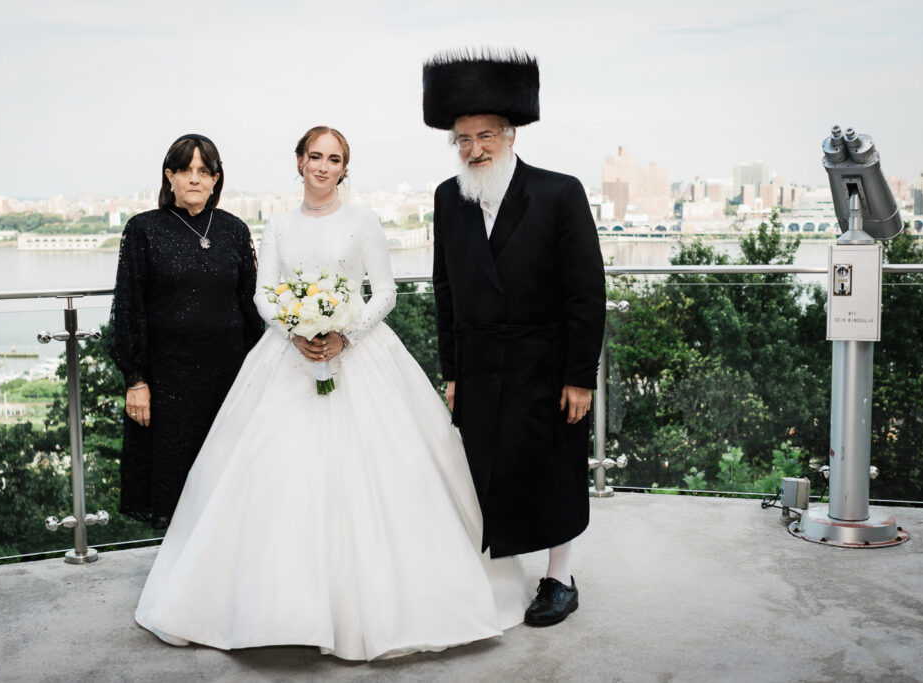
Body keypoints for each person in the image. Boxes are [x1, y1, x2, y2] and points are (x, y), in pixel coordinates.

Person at [133, 126, 530, 660]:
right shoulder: (277, 224)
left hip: (360, 353)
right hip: (287, 356)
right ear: (299, 161)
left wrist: (346, 333)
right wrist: (294, 328)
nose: (323, 166)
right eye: (315, 156)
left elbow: (384, 292)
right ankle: (275, 609)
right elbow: (263, 294)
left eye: (334, 159)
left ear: (344, 169)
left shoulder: (363, 221)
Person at [425, 50, 607, 626]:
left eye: (484, 136)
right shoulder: (447, 198)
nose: (473, 149)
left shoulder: (559, 192)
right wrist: (452, 372)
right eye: (463, 139)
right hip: (479, 366)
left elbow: (586, 294)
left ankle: (560, 577)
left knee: (552, 473)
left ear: (509, 135)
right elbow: (445, 289)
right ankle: (494, 574)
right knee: (485, 471)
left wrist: (580, 377)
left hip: (544, 365)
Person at [108, 134, 265, 527]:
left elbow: (252, 307)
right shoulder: (144, 229)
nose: (195, 178)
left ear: (216, 179)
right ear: (170, 176)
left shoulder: (234, 230)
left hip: (229, 378)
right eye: (185, 170)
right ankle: (179, 562)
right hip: (168, 381)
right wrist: (135, 380)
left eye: (204, 171)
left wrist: (259, 373)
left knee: (226, 479)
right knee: (174, 481)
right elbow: (128, 306)